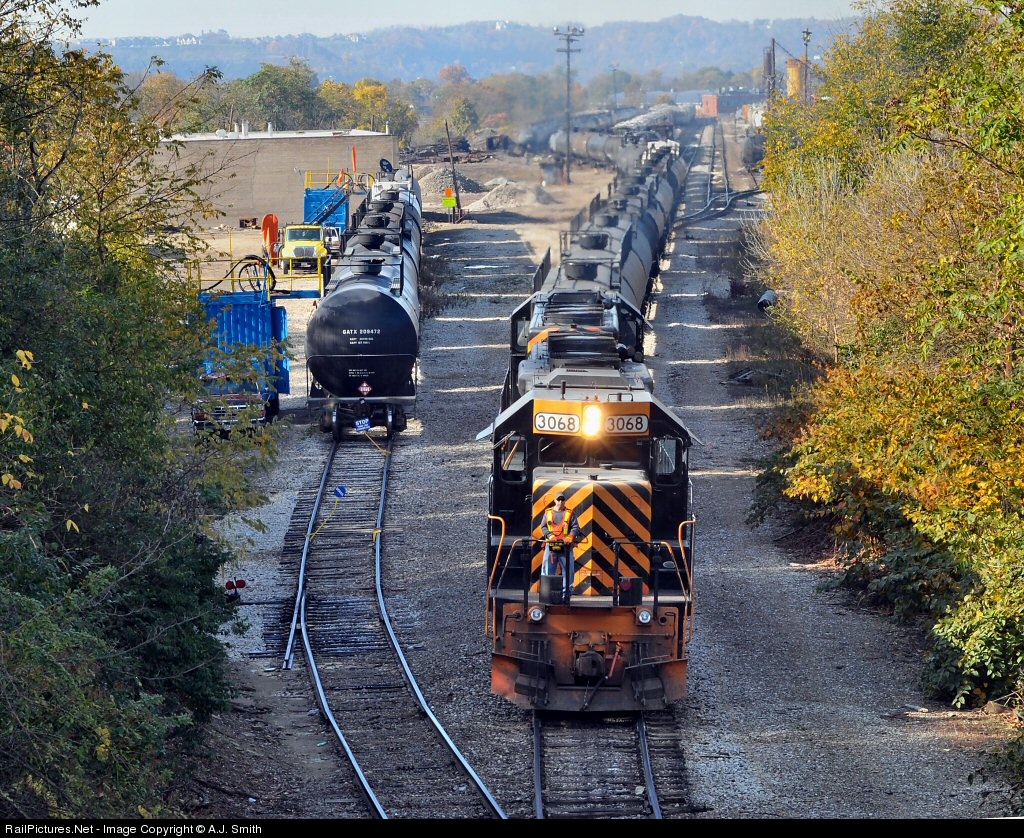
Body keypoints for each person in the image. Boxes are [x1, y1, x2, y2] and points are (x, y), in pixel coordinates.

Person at [542, 494, 582, 602]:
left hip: (566, 547)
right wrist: (550, 535)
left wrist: (570, 536)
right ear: (555, 500)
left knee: (568, 570)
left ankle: (566, 594)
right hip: (551, 546)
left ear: (565, 501)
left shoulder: (570, 513)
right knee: (547, 569)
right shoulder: (548, 512)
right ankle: (547, 593)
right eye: (558, 499)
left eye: (562, 500)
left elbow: (575, 527)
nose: (560, 502)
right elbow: (543, 527)